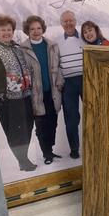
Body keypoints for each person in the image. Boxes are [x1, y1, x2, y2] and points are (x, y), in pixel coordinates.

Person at [0, 14, 36, 171]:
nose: (6, 33)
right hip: (9, 100)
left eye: (9, 29)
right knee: (15, 132)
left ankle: (22, 158)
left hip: (25, 96)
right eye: (2, 30)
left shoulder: (18, 49)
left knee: (27, 128)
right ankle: (23, 161)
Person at [20, 15, 64, 165]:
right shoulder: (23, 49)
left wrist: (59, 81)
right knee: (41, 126)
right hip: (36, 94)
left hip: (52, 93)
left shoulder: (52, 45)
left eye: (38, 28)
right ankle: (46, 153)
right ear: (27, 31)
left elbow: (59, 67)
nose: (36, 31)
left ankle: (50, 150)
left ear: (43, 29)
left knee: (53, 123)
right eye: (32, 29)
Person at [54, 10, 83, 159]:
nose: (68, 23)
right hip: (68, 83)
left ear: (75, 21)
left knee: (94, 113)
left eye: (71, 20)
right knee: (71, 118)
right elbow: (55, 64)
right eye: (65, 21)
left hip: (86, 80)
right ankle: (74, 148)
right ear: (61, 24)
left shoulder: (84, 38)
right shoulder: (57, 41)